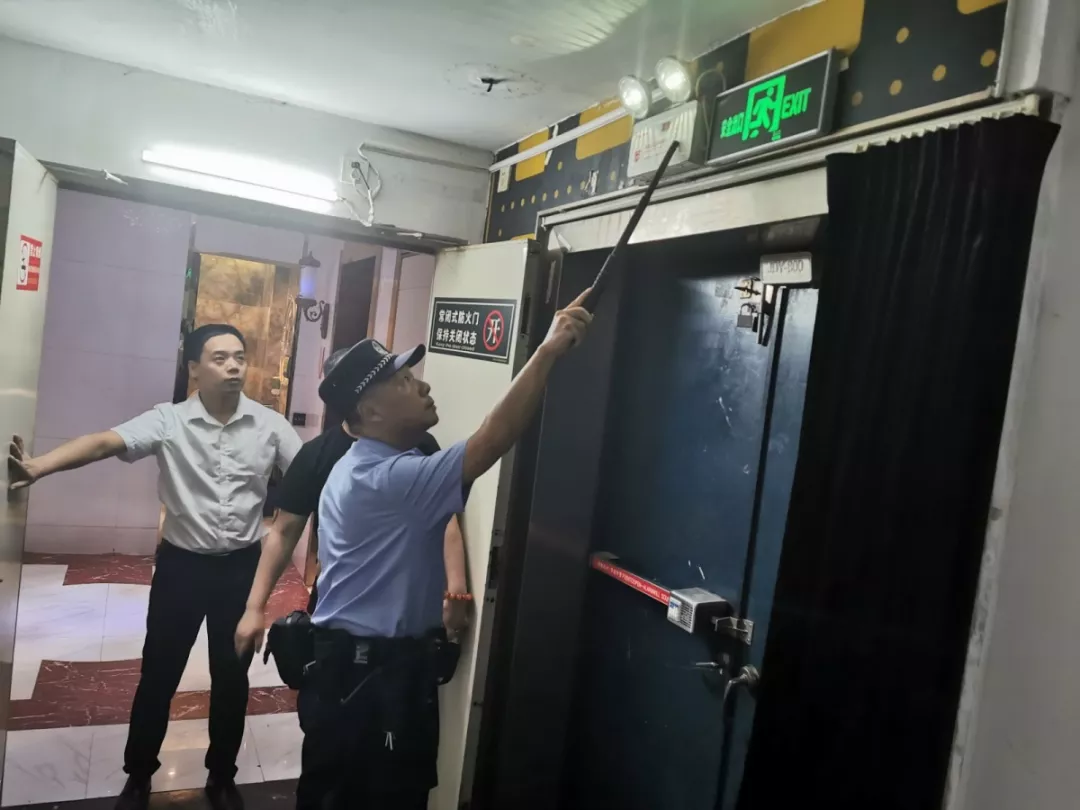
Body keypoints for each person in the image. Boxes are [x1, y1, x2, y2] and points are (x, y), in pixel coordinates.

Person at [296, 289, 592, 809]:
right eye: (404, 381)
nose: (423, 384)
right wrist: (546, 351)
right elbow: (492, 440)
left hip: (366, 675)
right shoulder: (386, 479)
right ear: (369, 410)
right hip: (369, 684)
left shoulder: (366, 467)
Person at [7, 324, 302, 810]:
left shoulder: (270, 426)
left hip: (241, 572)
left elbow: (313, 473)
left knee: (232, 678)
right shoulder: (168, 421)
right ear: (194, 368)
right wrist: (40, 466)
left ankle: (222, 777)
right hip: (181, 569)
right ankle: (139, 775)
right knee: (159, 675)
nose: (233, 366)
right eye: (220, 358)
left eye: (239, 357)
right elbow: (104, 442)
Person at [233, 347, 470, 659]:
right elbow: (283, 532)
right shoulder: (318, 455)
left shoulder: (419, 443)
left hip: (409, 607)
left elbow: (445, 519)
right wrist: (255, 607)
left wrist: (456, 589)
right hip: (344, 603)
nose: (419, 386)